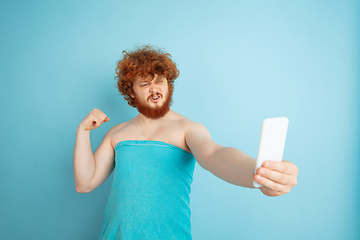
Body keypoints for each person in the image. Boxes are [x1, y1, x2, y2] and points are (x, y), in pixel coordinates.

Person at [73, 45, 298, 240]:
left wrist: (260, 175)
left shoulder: (188, 128)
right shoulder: (116, 133)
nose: (154, 88)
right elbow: (85, 183)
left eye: (160, 81)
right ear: (130, 92)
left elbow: (215, 155)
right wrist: (83, 132)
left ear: (168, 86)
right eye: (144, 84)